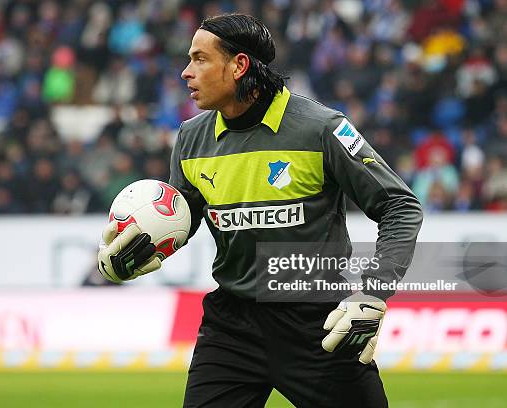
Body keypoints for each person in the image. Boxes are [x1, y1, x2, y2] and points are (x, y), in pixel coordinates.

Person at [97, 14, 423, 408]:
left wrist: (374, 293)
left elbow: (400, 206)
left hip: (316, 325)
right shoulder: (190, 137)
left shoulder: (322, 128)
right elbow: (182, 218)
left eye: (200, 59)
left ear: (238, 66)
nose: (186, 72)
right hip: (231, 328)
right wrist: (136, 253)